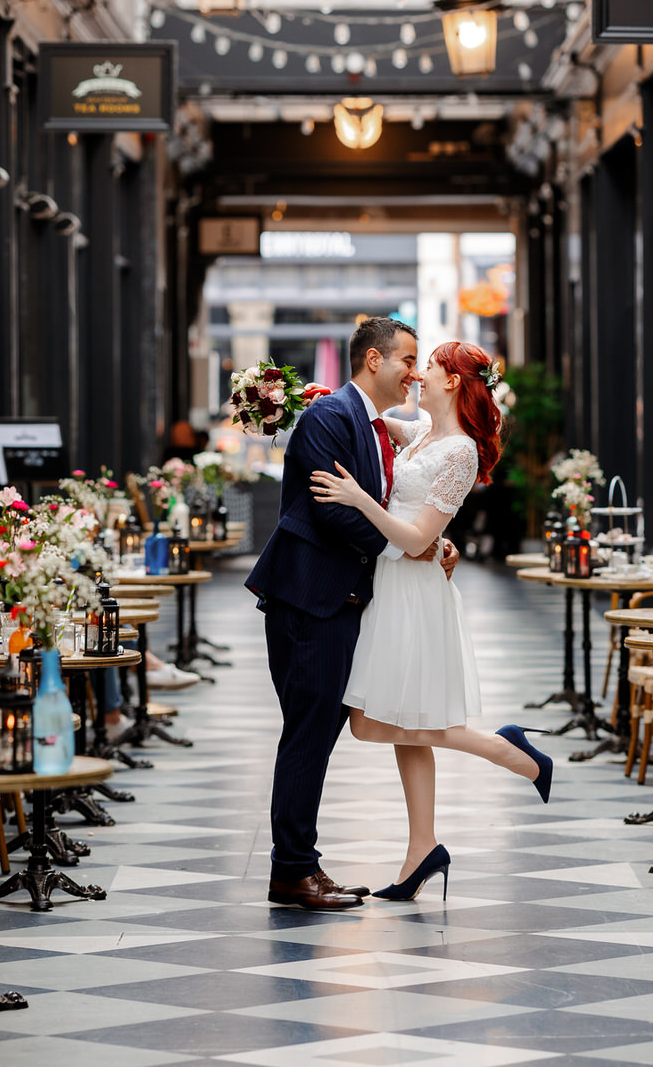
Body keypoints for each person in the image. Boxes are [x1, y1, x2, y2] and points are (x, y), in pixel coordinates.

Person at [311, 339, 553, 902]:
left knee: (372, 721)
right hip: (392, 587)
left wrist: (357, 499)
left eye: (431, 365)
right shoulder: (420, 432)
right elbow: (370, 426)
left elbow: (418, 536)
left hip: (413, 593)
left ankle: (504, 748)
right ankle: (423, 848)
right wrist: (314, 401)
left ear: (451, 381)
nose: (418, 373)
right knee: (400, 721)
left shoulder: (461, 452)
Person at [246, 316, 459, 912]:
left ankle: (301, 865)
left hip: (334, 601)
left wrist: (431, 543)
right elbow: (332, 513)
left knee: (314, 737)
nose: (414, 372)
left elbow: (386, 503)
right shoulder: (329, 417)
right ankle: (291, 872)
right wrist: (410, 549)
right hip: (309, 600)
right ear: (373, 360)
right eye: (407, 360)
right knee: (308, 736)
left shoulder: (364, 422)